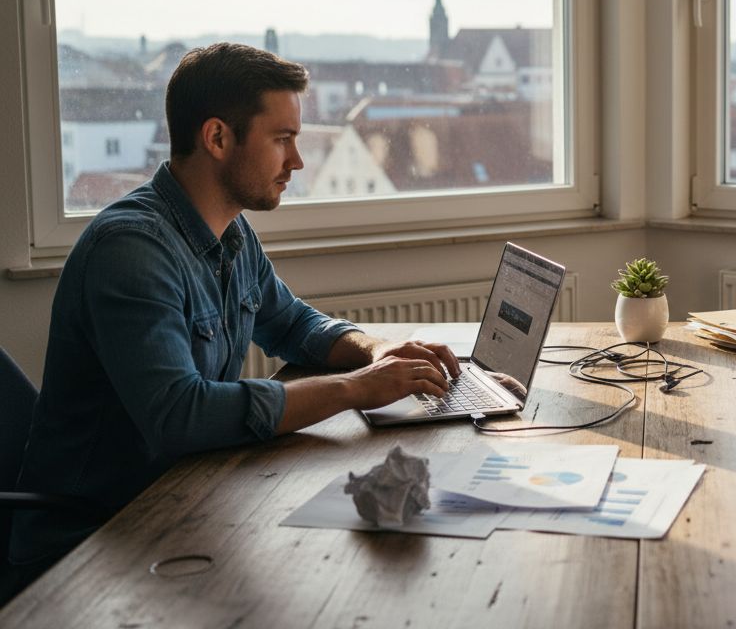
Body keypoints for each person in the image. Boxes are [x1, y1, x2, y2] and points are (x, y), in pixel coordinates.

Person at [7, 43, 519, 589]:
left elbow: (294, 324)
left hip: (181, 499)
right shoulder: (131, 251)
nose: (296, 161)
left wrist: (376, 351)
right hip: (92, 546)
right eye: (283, 140)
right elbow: (179, 415)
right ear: (218, 138)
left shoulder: (229, 231)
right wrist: (354, 389)